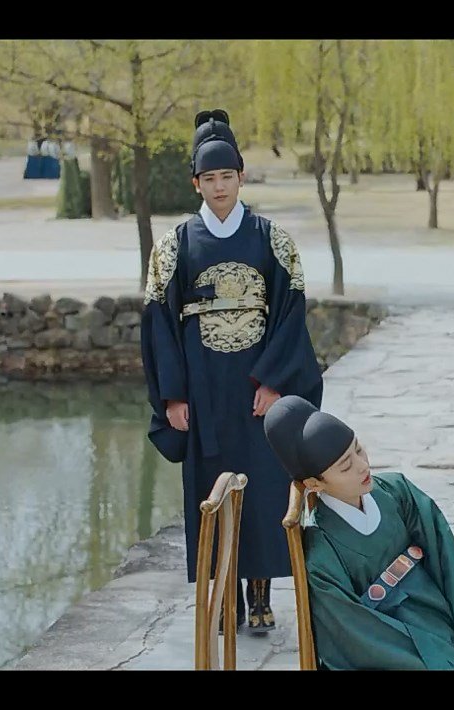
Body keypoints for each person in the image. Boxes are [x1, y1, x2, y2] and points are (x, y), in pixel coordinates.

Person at [140, 108, 323, 634]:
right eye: (209, 177)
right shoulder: (174, 245)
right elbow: (159, 323)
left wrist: (274, 382)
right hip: (203, 386)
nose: (219, 186)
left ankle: (260, 592)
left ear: (242, 177)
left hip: (256, 386)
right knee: (211, 488)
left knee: (262, 485)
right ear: (195, 183)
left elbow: (290, 314)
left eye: (228, 176)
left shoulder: (273, 239)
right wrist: (173, 396)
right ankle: (224, 596)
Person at [263, 396, 454, 670]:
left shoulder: (398, 492)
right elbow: (358, 635)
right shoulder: (322, 552)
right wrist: (453, 664)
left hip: (446, 617)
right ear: (314, 483)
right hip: (398, 650)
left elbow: (449, 565)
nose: (362, 466)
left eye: (358, 449)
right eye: (346, 466)